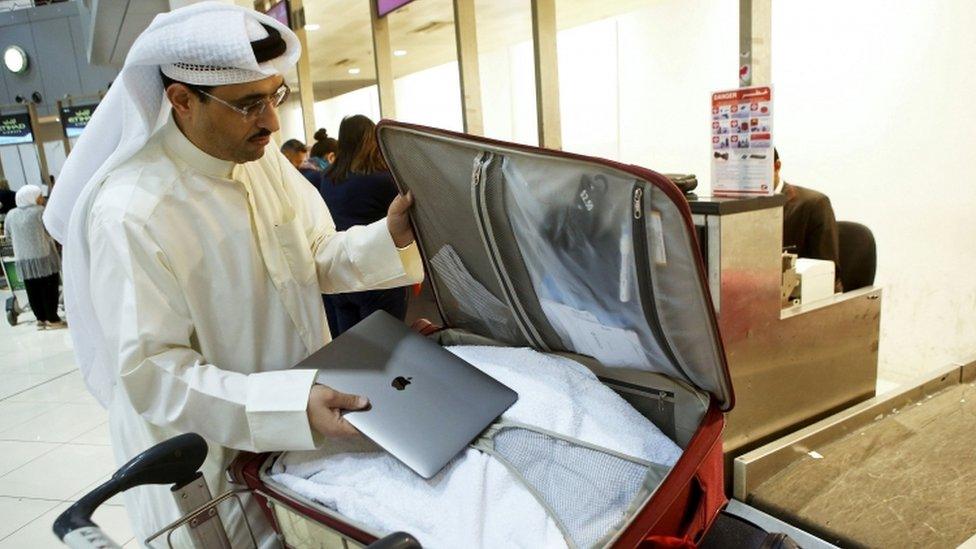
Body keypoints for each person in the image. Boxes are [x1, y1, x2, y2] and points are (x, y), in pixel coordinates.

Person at [42, 3, 423, 546]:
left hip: (296, 436)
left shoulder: (262, 160)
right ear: (181, 101)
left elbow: (314, 254)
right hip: (206, 472)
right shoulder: (131, 212)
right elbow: (156, 374)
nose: (271, 121)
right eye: (248, 105)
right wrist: (286, 406)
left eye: (274, 96)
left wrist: (390, 236)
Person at [319, 115, 410, 336]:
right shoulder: (383, 180)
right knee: (384, 349)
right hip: (378, 275)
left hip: (340, 275)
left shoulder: (327, 178)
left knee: (353, 351)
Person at [775, 149, 843, 291]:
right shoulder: (737, 207)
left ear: (777, 166)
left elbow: (826, 271)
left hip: (803, 295)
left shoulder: (814, 204)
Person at [3, 185, 65, 330]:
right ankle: (53, 319)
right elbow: (51, 230)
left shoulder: (11, 215)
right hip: (44, 258)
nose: (42, 199)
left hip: (23, 260)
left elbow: (7, 235)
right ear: (31, 197)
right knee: (49, 288)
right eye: (39, 196)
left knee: (32, 290)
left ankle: (41, 319)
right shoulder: (40, 212)